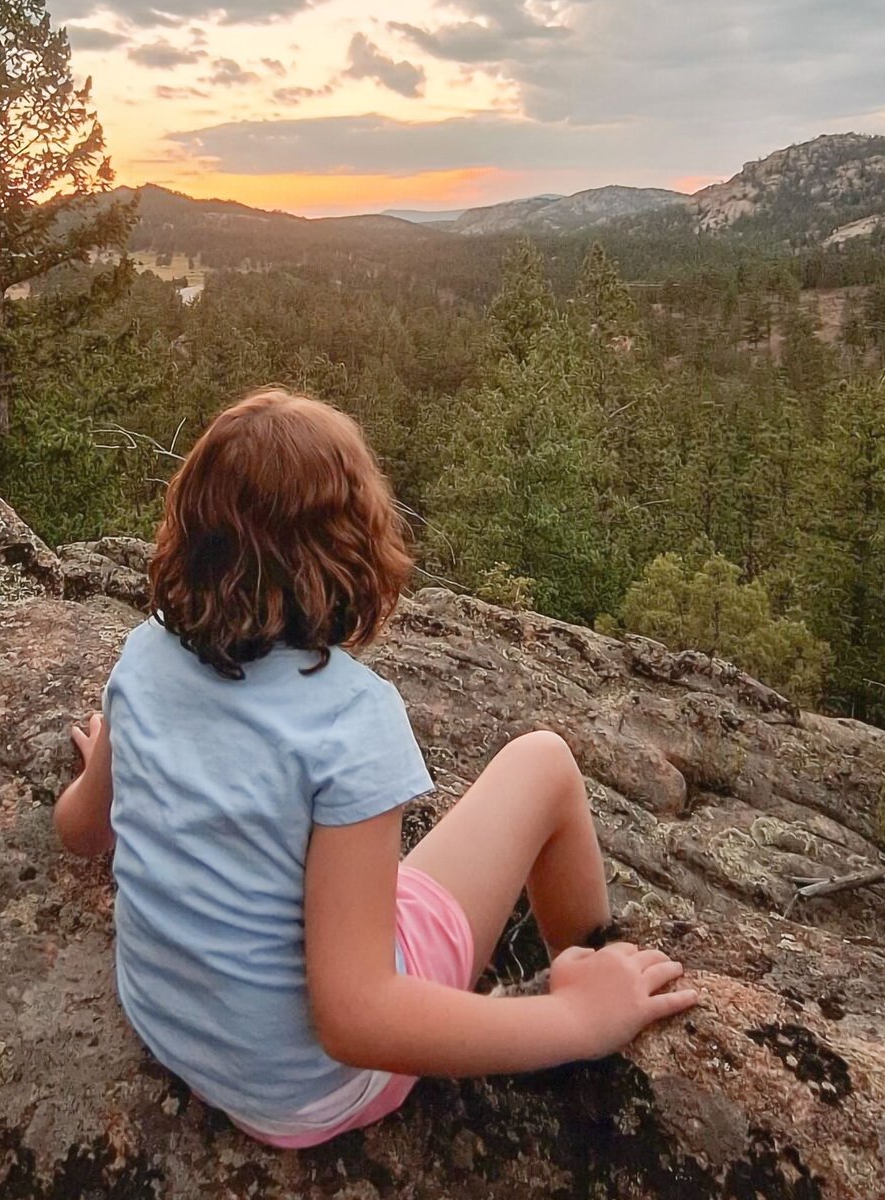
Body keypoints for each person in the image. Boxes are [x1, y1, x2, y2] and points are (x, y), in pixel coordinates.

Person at [53, 387, 698, 1148]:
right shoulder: (349, 723)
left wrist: (126, 762)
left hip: (167, 1026)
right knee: (544, 762)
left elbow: (80, 832)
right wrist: (573, 1021)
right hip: (304, 1093)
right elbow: (357, 1019)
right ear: (353, 554)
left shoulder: (144, 660)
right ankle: (594, 971)